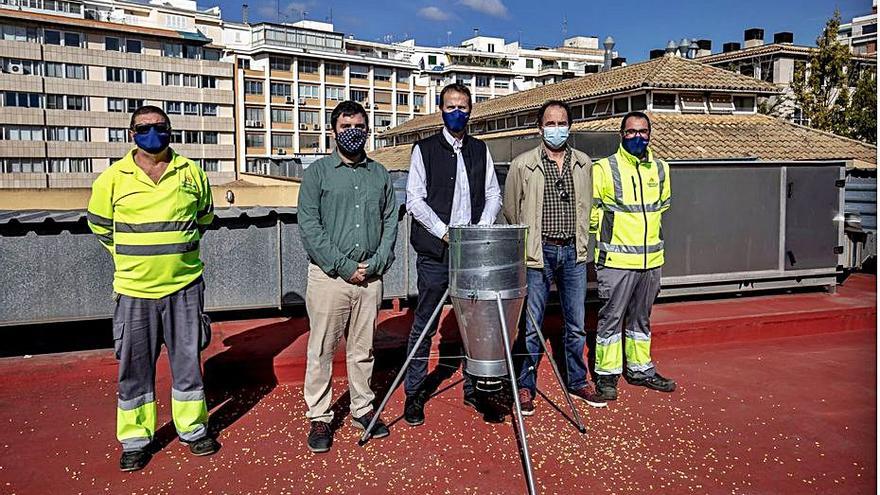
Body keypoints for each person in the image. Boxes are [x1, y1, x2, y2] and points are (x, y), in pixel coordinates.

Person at [87, 105, 219, 472]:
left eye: (160, 126)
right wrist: (130, 257)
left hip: (185, 287)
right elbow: (99, 225)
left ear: (170, 130)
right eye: (144, 127)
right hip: (134, 291)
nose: (153, 133)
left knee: (188, 364)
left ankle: (193, 430)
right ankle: (135, 439)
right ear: (132, 134)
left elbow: (204, 217)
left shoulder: (191, 172)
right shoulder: (113, 178)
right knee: (134, 368)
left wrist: (175, 251)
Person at [298, 100, 399, 453]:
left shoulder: (380, 174)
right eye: (345, 127)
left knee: (363, 349)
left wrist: (378, 262)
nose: (352, 133)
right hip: (330, 277)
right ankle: (320, 416)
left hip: (370, 277)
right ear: (333, 131)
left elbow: (390, 221)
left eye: (358, 126)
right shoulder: (317, 173)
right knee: (322, 349)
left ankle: (362, 407)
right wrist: (343, 266)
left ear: (367, 130)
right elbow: (310, 226)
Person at [403, 83, 503, 426]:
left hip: (472, 254)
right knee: (426, 324)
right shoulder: (425, 150)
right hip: (436, 253)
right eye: (450, 106)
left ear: (471, 109)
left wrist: (478, 231)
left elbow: (493, 194)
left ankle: (476, 391)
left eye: (463, 106)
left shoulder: (480, 149)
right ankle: (414, 393)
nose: (457, 112)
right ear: (441, 109)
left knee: (475, 326)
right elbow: (414, 200)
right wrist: (445, 233)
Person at [504, 100, 606, 415]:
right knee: (531, 324)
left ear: (570, 127)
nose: (556, 128)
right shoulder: (523, 164)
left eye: (562, 122)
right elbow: (510, 210)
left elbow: (587, 205)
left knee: (575, 323)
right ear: (540, 127)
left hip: (573, 253)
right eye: (550, 123)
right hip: (538, 253)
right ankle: (525, 385)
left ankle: (577, 380)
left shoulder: (584, 163)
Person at [590, 111, 676, 401]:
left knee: (641, 319)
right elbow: (591, 212)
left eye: (643, 131)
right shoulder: (604, 168)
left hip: (651, 261)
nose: (637, 136)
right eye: (631, 132)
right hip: (615, 262)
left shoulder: (661, 169)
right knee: (611, 320)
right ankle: (606, 375)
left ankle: (640, 369)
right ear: (621, 135)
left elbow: (661, 209)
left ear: (649, 134)